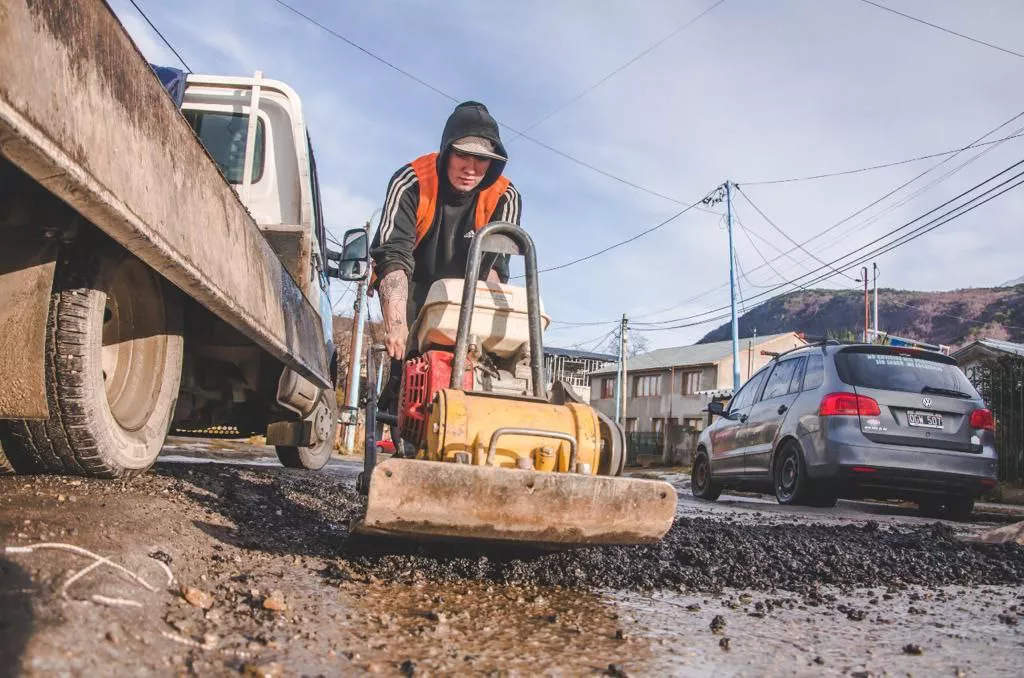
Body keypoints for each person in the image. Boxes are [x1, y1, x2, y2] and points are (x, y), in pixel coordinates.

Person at [369, 101, 522, 362]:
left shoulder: (504, 197)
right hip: (414, 291)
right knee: (407, 369)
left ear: (493, 163)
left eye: (482, 159)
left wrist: (482, 338)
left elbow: (494, 271)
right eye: (462, 155)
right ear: (447, 151)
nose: (470, 169)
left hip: (469, 297)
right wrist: (396, 326)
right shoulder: (412, 182)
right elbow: (393, 257)